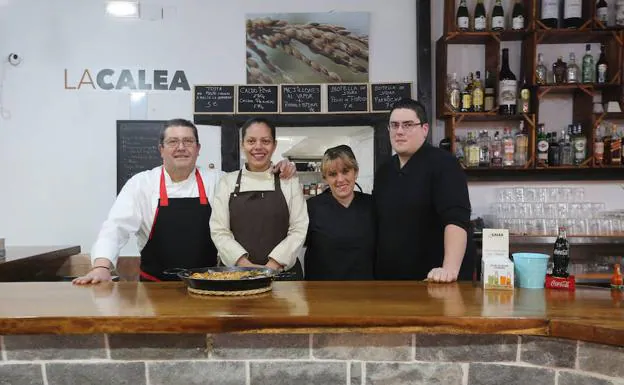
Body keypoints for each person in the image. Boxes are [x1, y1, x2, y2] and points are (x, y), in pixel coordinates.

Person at [73, 118, 295, 284]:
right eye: (173, 142)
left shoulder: (217, 181)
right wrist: (102, 266)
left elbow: (252, 182)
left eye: (188, 141)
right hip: (155, 287)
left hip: (208, 286)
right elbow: (115, 227)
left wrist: (280, 168)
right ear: (161, 150)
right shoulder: (141, 184)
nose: (181, 147)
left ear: (198, 149)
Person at [373, 98, 475, 283]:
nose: (400, 131)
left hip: (433, 281)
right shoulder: (384, 170)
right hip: (391, 283)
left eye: (408, 125)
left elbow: (457, 220)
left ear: (425, 129)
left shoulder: (444, 164)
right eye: (394, 125)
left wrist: (448, 270)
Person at [210, 118, 308, 279]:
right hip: (237, 275)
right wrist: (246, 267)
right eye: (251, 141)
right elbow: (219, 230)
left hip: (283, 275)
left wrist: (272, 266)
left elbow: (299, 228)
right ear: (242, 145)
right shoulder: (227, 182)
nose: (258, 147)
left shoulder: (288, 181)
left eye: (265, 141)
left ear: (274, 145)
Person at [304, 145, 375, 280]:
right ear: (325, 178)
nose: (340, 179)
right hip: (322, 294)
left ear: (356, 172)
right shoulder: (311, 208)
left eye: (345, 171)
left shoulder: (372, 205)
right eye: (332, 174)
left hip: (365, 292)